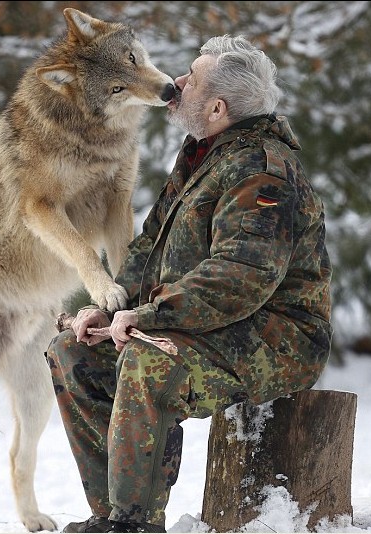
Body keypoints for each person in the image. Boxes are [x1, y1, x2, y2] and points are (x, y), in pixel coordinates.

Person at [46, 33, 333, 534]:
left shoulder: (262, 169)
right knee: (72, 352)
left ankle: (136, 523)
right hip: (209, 323)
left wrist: (149, 318)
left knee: (147, 360)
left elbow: (240, 277)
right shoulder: (202, 155)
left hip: (280, 336)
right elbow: (148, 246)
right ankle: (111, 514)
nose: (177, 82)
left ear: (217, 106)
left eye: (192, 79)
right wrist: (112, 309)